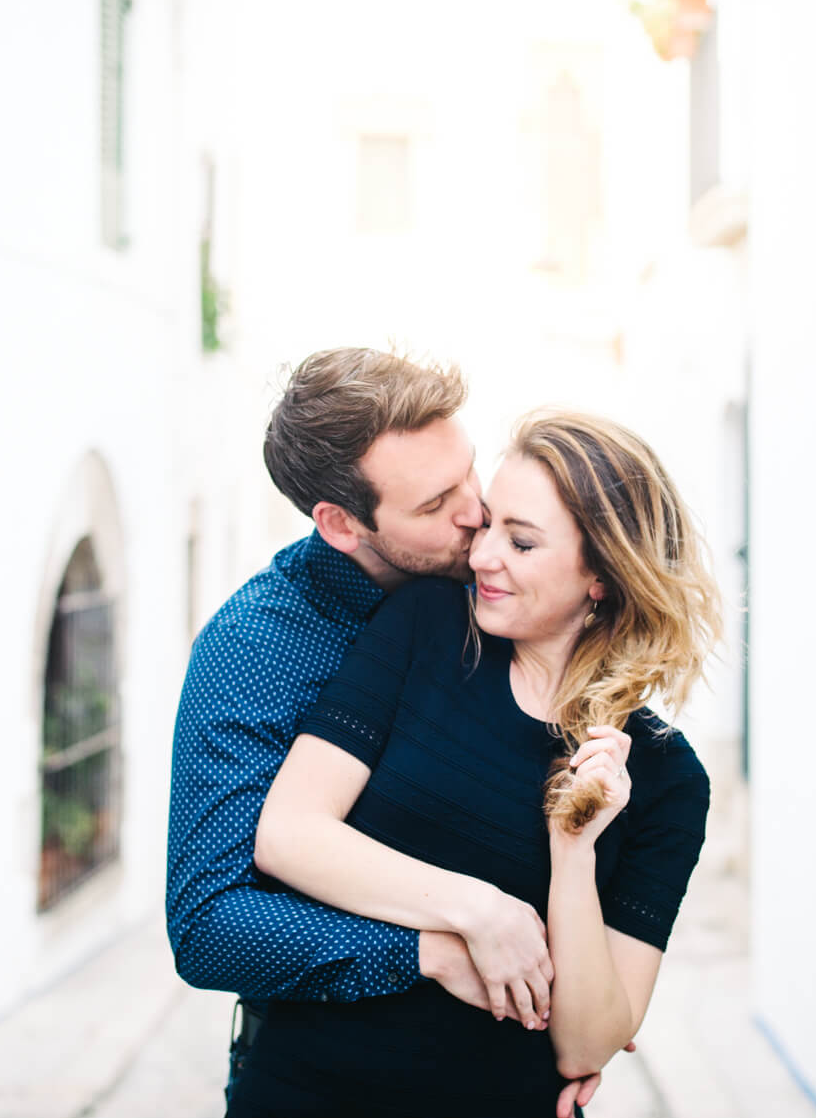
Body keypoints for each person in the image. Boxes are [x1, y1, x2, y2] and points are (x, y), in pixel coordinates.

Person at [234, 410, 723, 1116]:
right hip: (307, 1089)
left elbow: (585, 1045)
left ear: (603, 577)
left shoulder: (668, 780)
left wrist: (574, 847)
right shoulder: (426, 626)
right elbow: (289, 834)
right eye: (490, 523)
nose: (483, 554)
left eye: (521, 542)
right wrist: (479, 912)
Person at [166, 350, 605, 1116]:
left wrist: (583, 1013)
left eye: (469, 473)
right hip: (314, 1082)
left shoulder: (497, 592)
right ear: (341, 524)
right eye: (438, 503)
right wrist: (434, 948)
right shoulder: (253, 650)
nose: (476, 514)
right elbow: (209, 924)